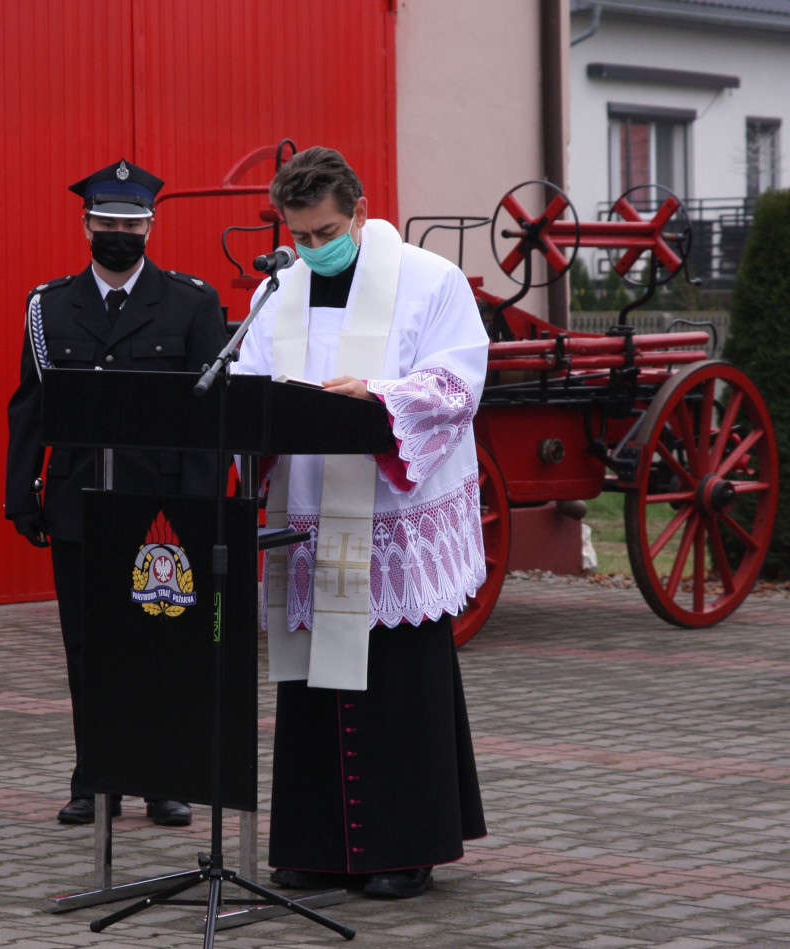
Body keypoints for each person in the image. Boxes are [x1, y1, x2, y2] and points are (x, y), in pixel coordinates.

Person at [235, 146, 488, 899]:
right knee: (313, 687)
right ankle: (315, 845)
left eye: (326, 232)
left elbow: (456, 381)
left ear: (361, 213)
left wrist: (378, 394)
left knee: (397, 685)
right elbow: (248, 376)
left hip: (392, 518)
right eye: (301, 237)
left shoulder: (429, 281)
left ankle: (405, 846)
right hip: (310, 515)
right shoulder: (278, 290)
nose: (314, 249)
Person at [5, 159, 229, 827]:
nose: (118, 235)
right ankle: (95, 777)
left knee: (161, 640)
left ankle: (164, 778)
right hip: (79, 503)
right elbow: (30, 405)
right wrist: (23, 492)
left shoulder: (193, 302)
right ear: (85, 224)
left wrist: (198, 507)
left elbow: (208, 419)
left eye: (131, 225)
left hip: (160, 504)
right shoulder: (48, 307)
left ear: (150, 227)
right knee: (88, 645)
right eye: (106, 223)